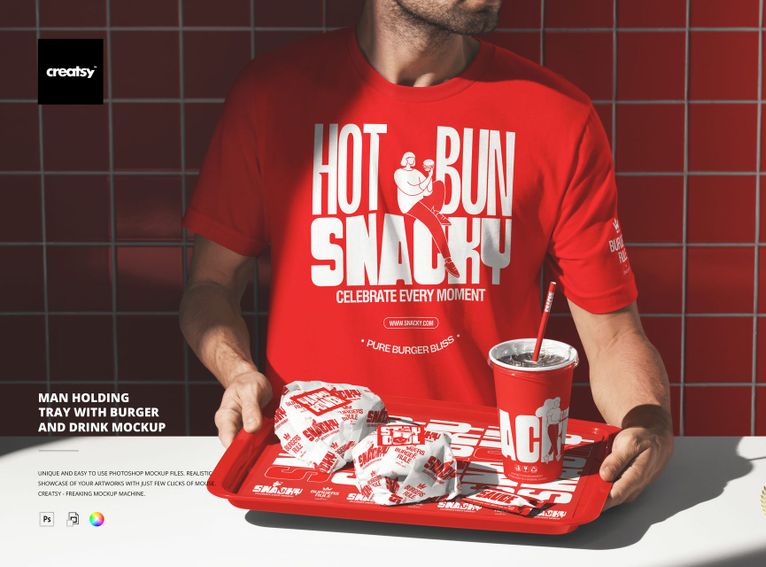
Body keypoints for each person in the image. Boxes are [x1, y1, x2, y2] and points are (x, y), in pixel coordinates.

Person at [179, 0, 673, 511]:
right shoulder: (269, 97)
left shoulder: (559, 117)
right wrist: (237, 373)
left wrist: (648, 423)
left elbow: (614, 336)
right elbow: (209, 288)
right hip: (315, 471)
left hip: (478, 482)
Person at [394, 151, 458, 277]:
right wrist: (426, 181)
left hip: (420, 199)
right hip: (409, 204)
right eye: (410, 158)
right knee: (433, 222)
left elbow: (428, 191)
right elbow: (411, 191)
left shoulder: (416, 173)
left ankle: (435, 210)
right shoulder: (399, 173)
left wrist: (430, 175)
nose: (413, 160)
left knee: (439, 184)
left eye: (414, 158)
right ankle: (448, 260)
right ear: (405, 159)